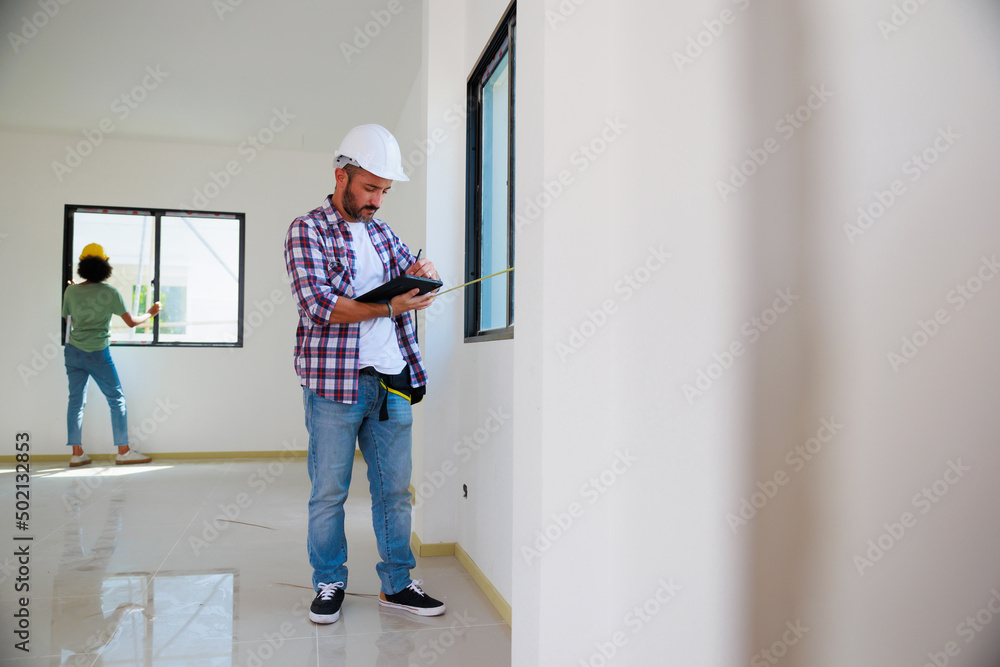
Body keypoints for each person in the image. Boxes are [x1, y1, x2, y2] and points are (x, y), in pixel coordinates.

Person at [284, 124, 445, 624]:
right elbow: (319, 307)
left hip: (391, 377)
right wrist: (390, 305)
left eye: (384, 191)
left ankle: (397, 584)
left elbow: (408, 283)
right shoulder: (307, 229)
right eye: (370, 188)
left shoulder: (383, 233)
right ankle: (329, 581)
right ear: (342, 176)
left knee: (394, 489)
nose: (377, 200)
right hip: (336, 384)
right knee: (329, 491)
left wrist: (424, 276)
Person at [62, 243, 161, 467]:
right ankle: (123, 452)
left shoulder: (71, 290)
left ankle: (77, 454)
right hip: (97, 352)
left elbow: (68, 320)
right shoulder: (110, 293)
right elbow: (131, 323)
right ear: (104, 267)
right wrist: (151, 313)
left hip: (73, 353)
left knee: (76, 402)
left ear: (83, 266)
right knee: (116, 399)